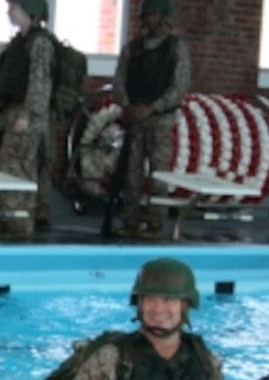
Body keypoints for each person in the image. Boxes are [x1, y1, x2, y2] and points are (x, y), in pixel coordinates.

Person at [58, 258, 247, 380]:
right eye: (150, 298)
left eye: (169, 300)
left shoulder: (205, 360)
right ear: (139, 304)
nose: (158, 309)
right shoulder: (113, 357)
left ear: (186, 305)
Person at [111, 0, 192, 241]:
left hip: (161, 120)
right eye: (146, 15)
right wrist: (128, 105)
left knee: (159, 176)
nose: (148, 19)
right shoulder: (132, 48)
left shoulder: (176, 49)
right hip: (135, 118)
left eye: (153, 15)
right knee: (131, 175)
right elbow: (119, 81)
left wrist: (152, 108)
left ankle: (155, 224)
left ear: (163, 16)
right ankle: (130, 221)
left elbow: (179, 87)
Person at [0, 0, 55, 242]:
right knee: (9, 168)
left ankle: (20, 223)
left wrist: (27, 115)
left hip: (26, 115)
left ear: (29, 11)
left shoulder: (39, 43)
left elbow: (40, 83)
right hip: (15, 112)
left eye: (14, 7)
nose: (9, 11)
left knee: (20, 169)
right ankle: (10, 219)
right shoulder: (20, 42)